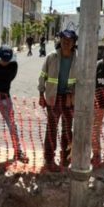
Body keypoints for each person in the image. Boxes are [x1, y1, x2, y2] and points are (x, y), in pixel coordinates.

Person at [37, 29, 78, 171]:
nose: (66, 43)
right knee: (51, 129)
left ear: (74, 43)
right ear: (60, 40)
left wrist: (72, 94)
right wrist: (41, 94)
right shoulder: (51, 57)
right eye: (64, 39)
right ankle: (49, 159)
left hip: (69, 100)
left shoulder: (78, 59)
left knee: (67, 130)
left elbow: (80, 81)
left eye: (70, 40)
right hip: (53, 98)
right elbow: (43, 76)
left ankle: (65, 158)